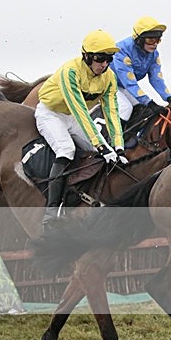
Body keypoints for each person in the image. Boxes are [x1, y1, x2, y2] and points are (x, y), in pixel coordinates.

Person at [35, 29, 127, 230]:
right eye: (100, 58)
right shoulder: (71, 71)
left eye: (108, 59)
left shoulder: (109, 77)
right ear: (86, 56)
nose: (104, 64)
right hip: (51, 114)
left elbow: (111, 110)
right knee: (66, 150)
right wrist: (100, 145)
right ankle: (51, 212)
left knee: (102, 153)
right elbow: (79, 110)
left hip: (73, 117)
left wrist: (117, 146)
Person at [110, 16, 171, 127]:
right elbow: (129, 82)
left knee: (142, 110)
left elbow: (156, 78)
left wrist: (169, 97)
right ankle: (111, 141)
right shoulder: (122, 51)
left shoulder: (154, 54)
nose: (154, 44)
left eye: (157, 40)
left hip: (122, 87)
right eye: (150, 40)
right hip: (107, 84)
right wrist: (149, 102)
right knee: (126, 108)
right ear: (138, 39)